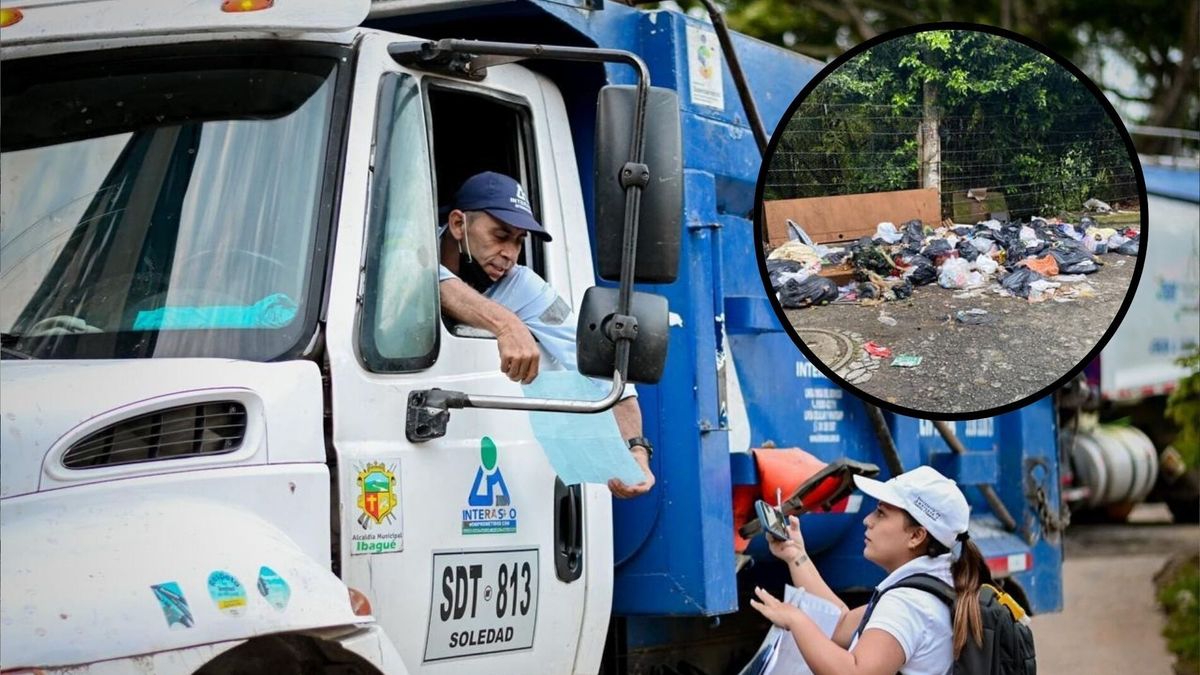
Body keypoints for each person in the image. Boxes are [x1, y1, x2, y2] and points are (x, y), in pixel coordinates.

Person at [437, 171, 654, 498]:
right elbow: (428, 279)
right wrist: (507, 324)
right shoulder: (408, 243)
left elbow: (597, 365)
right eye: (500, 235)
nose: (511, 254)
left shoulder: (523, 287)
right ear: (457, 225)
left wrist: (636, 451)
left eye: (519, 240)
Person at [749, 465, 990, 675]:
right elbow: (841, 624)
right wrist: (797, 556)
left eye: (881, 514)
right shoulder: (937, 583)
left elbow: (855, 672)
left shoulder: (908, 603)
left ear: (916, 536)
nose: (868, 520)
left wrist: (796, 620)